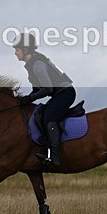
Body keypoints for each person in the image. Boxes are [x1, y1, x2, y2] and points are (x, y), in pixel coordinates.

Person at [13, 33, 75, 168]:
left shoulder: (37, 64)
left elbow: (47, 89)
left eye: (17, 50)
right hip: (59, 94)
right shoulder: (32, 64)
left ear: (25, 50)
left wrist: (29, 98)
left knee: (48, 118)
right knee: (40, 114)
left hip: (65, 93)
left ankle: (55, 157)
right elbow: (37, 90)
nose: (15, 53)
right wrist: (24, 100)